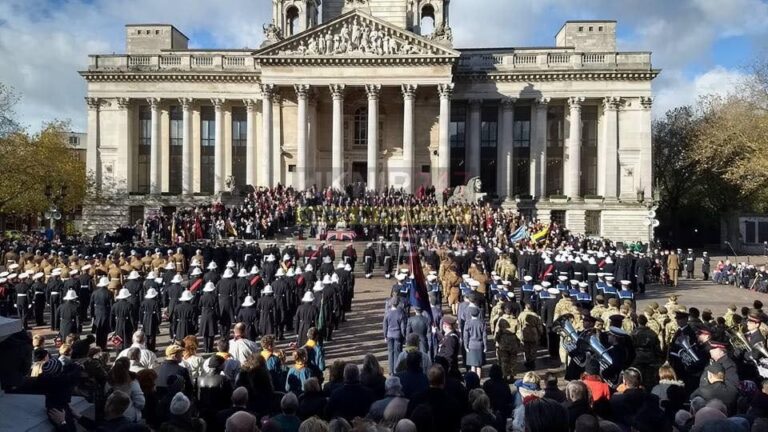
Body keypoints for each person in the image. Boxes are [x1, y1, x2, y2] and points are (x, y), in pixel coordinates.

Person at [406, 365, 461, 432]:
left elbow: (409, 422)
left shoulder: (416, 399)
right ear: (444, 380)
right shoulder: (453, 403)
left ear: (428, 379)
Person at [106, 357, 145, 423]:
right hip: (129, 416)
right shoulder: (132, 382)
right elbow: (140, 403)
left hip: (111, 415)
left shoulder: (108, 381)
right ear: (128, 367)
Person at [198, 354, 234, 426]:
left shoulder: (199, 378)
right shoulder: (224, 379)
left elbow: (198, 396)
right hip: (219, 413)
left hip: (204, 413)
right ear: (220, 366)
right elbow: (229, 397)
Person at [383, 297, 406, 375]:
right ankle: (396, 370)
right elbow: (403, 327)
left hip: (389, 335)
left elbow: (385, 326)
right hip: (397, 335)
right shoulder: (401, 313)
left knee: (390, 353)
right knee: (397, 353)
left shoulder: (387, 313)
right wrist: (403, 336)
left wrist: (385, 336)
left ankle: (390, 371)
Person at [463, 307, 487, 378]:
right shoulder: (482, 322)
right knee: (479, 365)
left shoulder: (467, 323)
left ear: (470, 314)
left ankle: (474, 380)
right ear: (478, 314)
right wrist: (485, 346)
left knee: (472, 365)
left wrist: (465, 345)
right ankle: (478, 381)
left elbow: (465, 336)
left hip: (471, 345)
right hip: (479, 345)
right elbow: (484, 336)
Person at [90, 276, 113, 350]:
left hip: (97, 311)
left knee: (98, 330)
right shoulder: (109, 293)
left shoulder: (95, 292)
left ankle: (98, 345)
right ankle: (103, 346)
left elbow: (91, 304)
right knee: (104, 331)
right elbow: (112, 304)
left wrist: (92, 314)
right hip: (106, 312)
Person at [199, 282, 219, 353]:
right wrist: (217, 317)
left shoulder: (202, 297)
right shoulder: (215, 297)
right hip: (212, 314)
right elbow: (217, 308)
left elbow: (199, 306)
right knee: (211, 332)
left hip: (204, 314)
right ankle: (210, 348)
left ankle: (205, 347)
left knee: (205, 333)